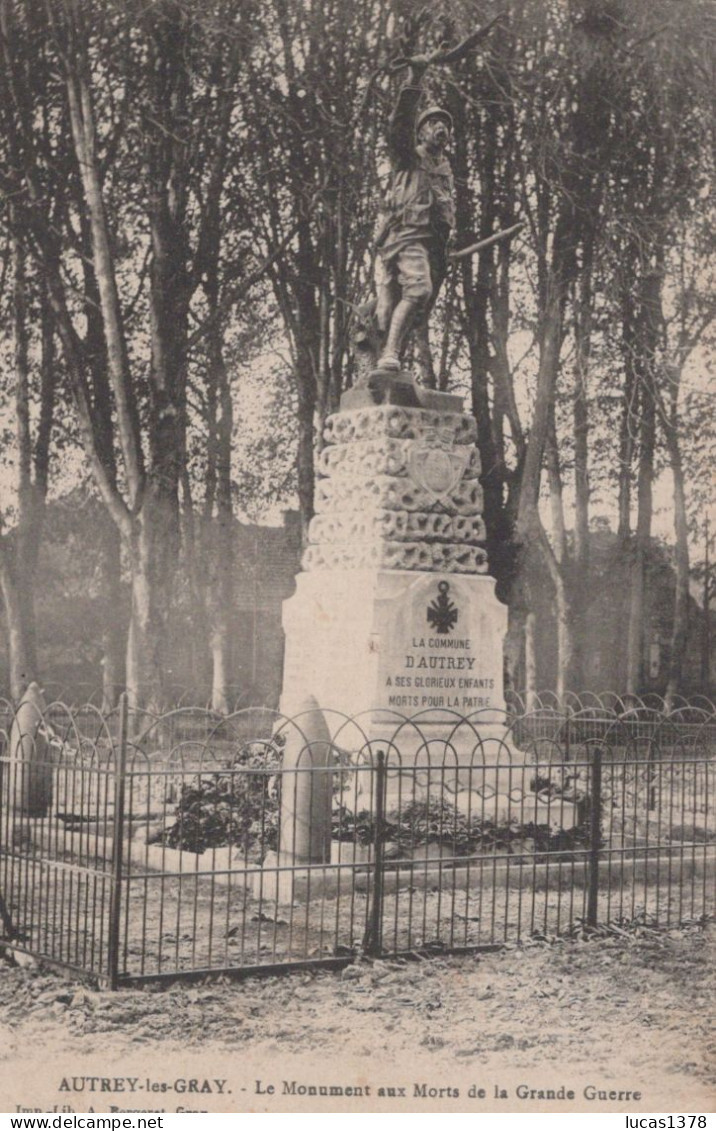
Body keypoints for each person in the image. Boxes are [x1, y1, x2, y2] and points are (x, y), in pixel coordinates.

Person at [373, 64, 455, 373]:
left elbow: (444, 209)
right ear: (420, 131)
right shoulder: (409, 155)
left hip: (431, 245)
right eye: (432, 122)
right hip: (405, 237)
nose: (439, 128)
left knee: (417, 305)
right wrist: (415, 79)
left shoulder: (443, 167)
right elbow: (399, 123)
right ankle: (390, 354)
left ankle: (386, 356)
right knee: (419, 290)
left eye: (444, 124)